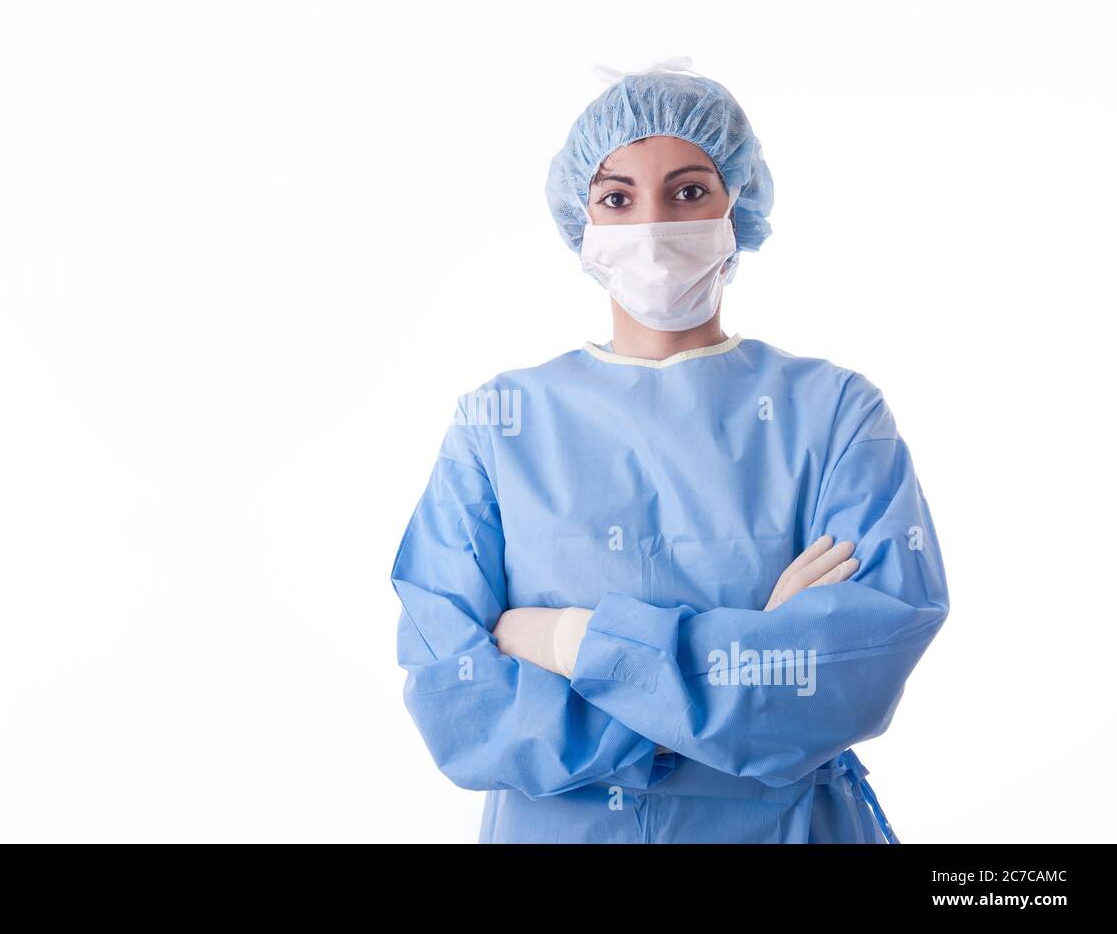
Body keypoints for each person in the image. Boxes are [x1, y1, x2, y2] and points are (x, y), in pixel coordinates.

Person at [390, 56, 949, 843]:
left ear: (737, 208)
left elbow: (857, 664)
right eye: (616, 198)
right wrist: (746, 654)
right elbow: (461, 704)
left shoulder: (835, 415)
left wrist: (569, 642)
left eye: (688, 191)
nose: (651, 225)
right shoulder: (501, 424)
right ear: (582, 223)